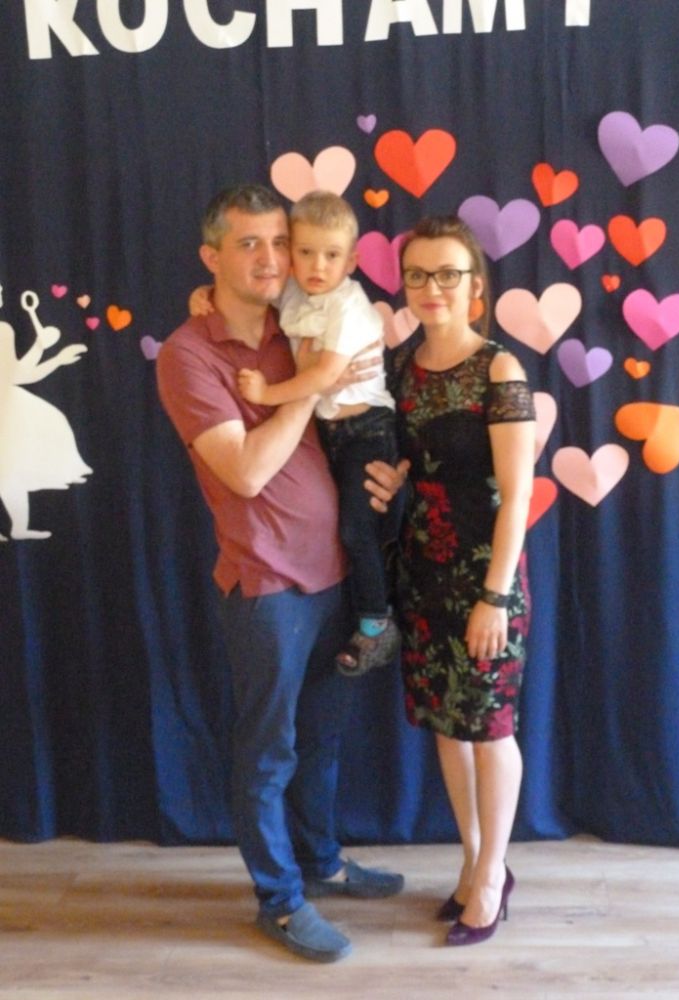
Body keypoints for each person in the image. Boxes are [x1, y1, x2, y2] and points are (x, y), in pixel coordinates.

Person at [156, 183, 403, 964]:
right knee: (269, 752)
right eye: (249, 244)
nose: (271, 258)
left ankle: (321, 862)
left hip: (335, 574)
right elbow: (247, 471)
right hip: (267, 585)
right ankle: (282, 901)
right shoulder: (189, 355)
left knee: (321, 742)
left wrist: (384, 468)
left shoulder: (297, 319)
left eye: (278, 242)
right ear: (211, 257)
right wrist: (315, 385)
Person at [383, 215, 536, 947]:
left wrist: (495, 596)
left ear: (475, 284)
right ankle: (474, 860)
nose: (432, 287)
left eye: (448, 273)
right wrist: (390, 477)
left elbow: (518, 494)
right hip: (423, 570)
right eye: (417, 274)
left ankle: (495, 875)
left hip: (485, 574)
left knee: (490, 725)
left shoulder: (500, 369)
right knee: (448, 723)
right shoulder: (400, 367)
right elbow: (401, 455)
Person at [236, 190, 401, 676]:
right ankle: (342, 613)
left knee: (356, 527)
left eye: (331, 255)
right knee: (329, 527)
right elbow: (258, 297)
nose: (317, 265)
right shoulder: (295, 291)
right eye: (305, 252)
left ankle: (377, 623)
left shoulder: (347, 304)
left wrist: (268, 394)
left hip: (367, 430)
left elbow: (325, 374)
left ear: (351, 261)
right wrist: (202, 294)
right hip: (326, 431)